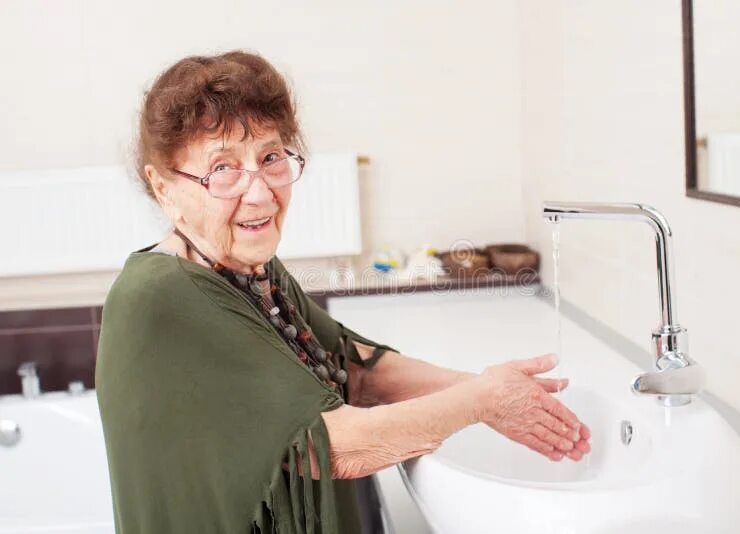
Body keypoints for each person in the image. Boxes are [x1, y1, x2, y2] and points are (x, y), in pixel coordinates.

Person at [95, 49, 591, 534]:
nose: (261, 191)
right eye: (223, 168)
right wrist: (482, 401)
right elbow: (330, 447)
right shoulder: (162, 296)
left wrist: (494, 390)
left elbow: (353, 365)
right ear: (164, 189)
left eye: (271, 157)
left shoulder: (248, 267)